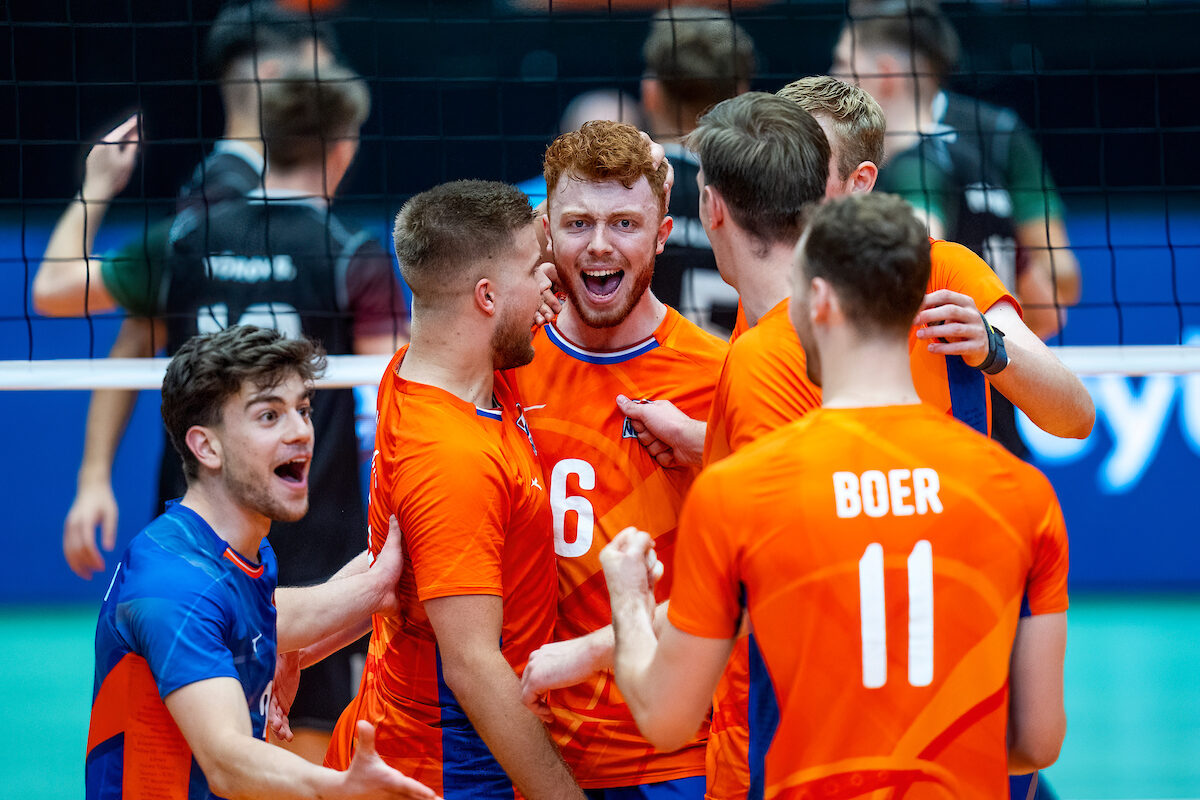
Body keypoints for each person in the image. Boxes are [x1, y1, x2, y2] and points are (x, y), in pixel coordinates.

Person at [601, 193, 1069, 800]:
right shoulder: (1021, 493)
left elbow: (666, 720)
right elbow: (1037, 742)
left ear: (817, 301)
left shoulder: (740, 492)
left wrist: (628, 595)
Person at [42, 61, 410, 764]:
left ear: (261, 140)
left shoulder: (186, 239)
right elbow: (393, 397)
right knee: (297, 742)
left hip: (203, 513)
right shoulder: (351, 252)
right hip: (313, 514)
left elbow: (56, 292)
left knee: (194, 728)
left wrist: (97, 186)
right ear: (344, 146)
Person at [86, 324, 434, 800]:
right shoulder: (173, 586)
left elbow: (251, 614)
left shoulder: (230, 547)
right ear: (206, 447)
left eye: (303, 410)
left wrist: (376, 584)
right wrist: (339, 788)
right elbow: (226, 760)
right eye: (270, 415)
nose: (302, 432)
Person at [324, 180, 582, 800]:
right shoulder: (453, 457)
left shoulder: (425, 372)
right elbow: (472, 666)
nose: (548, 282)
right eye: (534, 270)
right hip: (446, 768)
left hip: (406, 729)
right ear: (486, 296)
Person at [510, 120, 728, 798]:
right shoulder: (501, 367)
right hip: (525, 746)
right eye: (578, 224)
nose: (600, 245)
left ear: (662, 235)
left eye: (625, 224)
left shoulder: (721, 376)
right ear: (547, 232)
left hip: (671, 755)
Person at [831, 0, 1080, 341]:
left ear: (886, 74)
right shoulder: (965, 160)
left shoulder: (919, 165)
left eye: (842, 65)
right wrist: (994, 328)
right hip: (987, 357)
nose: (833, 77)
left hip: (938, 363)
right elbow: (1050, 315)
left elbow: (913, 262)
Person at [640, 5, 758, 333]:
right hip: (734, 361)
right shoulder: (764, 199)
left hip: (646, 364)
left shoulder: (625, 194)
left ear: (650, 92)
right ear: (741, 97)